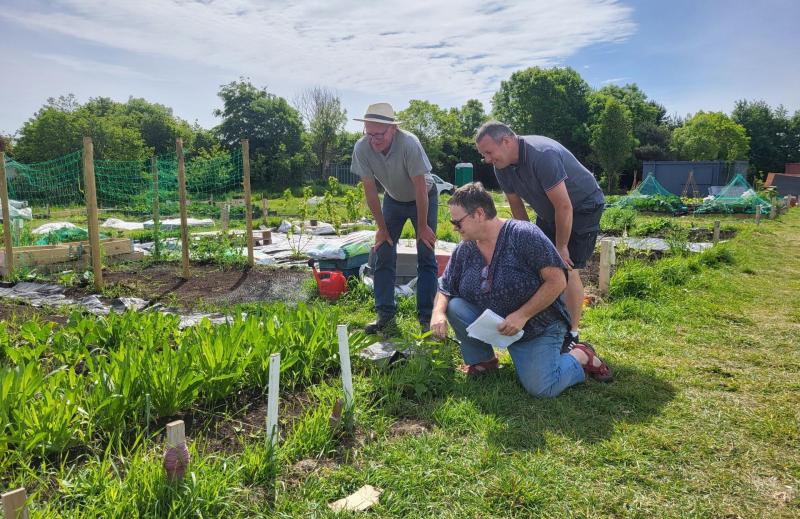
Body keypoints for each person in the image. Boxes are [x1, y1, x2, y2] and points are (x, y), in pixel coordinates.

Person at [430, 183, 612, 396]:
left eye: (456, 222)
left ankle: (580, 355)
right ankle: (483, 362)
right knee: (455, 306)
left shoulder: (523, 235)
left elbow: (558, 281)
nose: (454, 227)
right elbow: (446, 286)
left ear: (479, 214)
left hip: (537, 325)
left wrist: (522, 315)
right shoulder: (466, 247)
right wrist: (437, 313)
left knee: (542, 388)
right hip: (499, 324)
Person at [475, 121, 605, 353]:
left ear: (506, 141)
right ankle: (550, 321)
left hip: (582, 206)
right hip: (549, 211)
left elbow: (564, 206)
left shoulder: (542, 156)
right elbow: (517, 207)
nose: (486, 159)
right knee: (540, 265)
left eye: (488, 152)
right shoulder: (501, 166)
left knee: (566, 267)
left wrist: (562, 247)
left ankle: (572, 334)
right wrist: (526, 242)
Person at [351, 102, 438, 334]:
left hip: (424, 197)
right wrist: (381, 228)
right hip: (393, 200)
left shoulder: (409, 144)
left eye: (379, 134)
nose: (373, 140)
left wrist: (422, 227)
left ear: (393, 129)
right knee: (383, 252)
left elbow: (420, 188)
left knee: (426, 253)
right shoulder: (362, 148)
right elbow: (370, 190)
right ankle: (385, 315)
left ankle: (426, 318)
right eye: (368, 134)